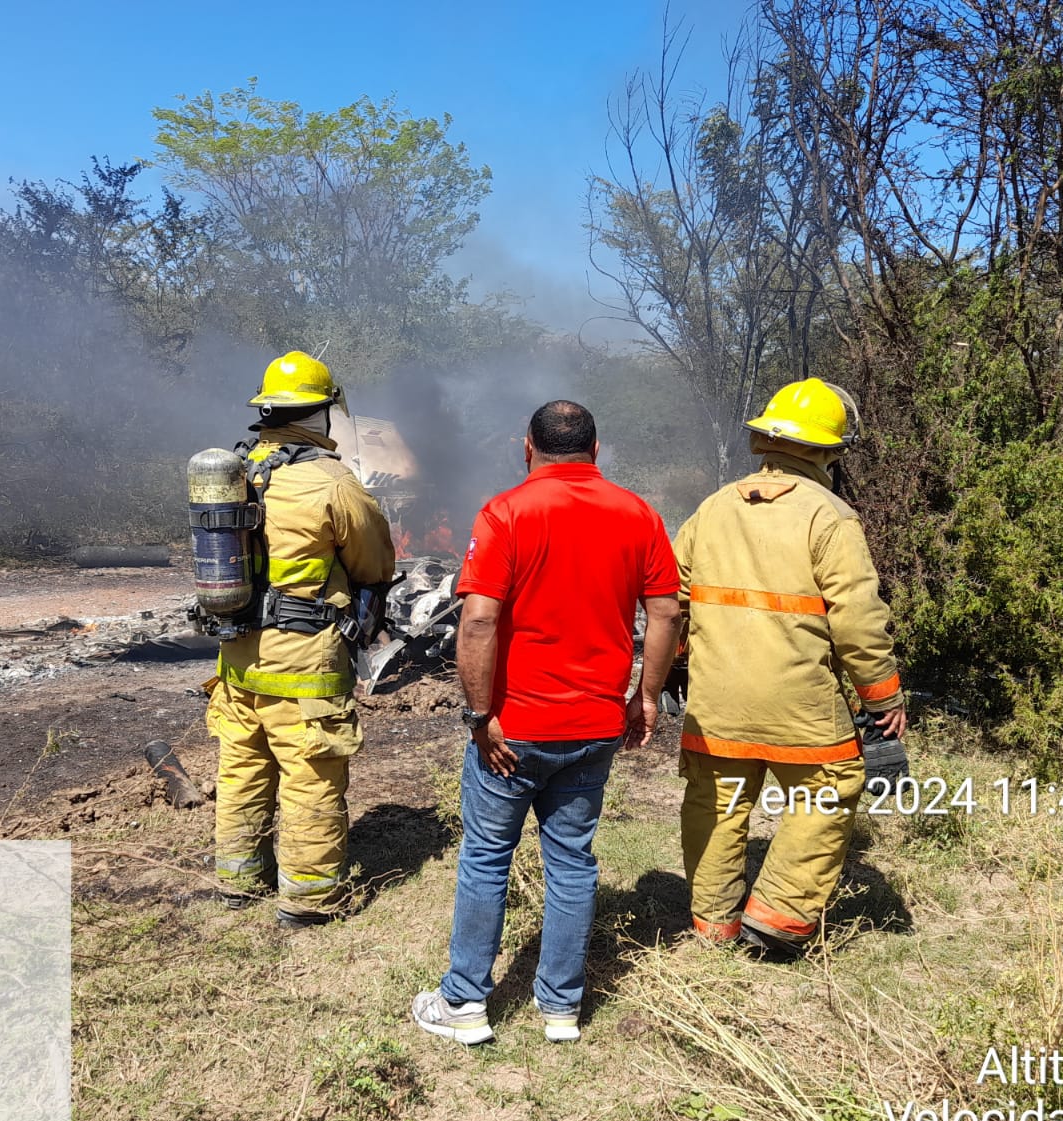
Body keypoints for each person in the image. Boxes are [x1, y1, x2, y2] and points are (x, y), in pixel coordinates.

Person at [411, 401, 680, 1044]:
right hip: (593, 726)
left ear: (526, 448)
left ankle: (466, 1005)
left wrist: (480, 716)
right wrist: (645, 698)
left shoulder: (505, 512)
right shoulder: (638, 514)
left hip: (514, 730)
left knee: (484, 859)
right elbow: (667, 616)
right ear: (596, 448)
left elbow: (477, 621)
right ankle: (561, 1007)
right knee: (572, 862)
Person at [674, 378, 907, 954]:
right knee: (829, 790)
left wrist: (680, 666)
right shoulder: (830, 517)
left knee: (719, 802)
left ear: (765, 442)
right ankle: (776, 921)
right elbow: (858, 619)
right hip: (798, 703)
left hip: (716, 703)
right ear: (828, 450)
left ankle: (714, 927)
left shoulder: (712, 508)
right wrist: (883, 697)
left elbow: (672, 599)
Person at [207, 350, 395, 928]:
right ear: (325, 412)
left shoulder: (232, 472)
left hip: (237, 656)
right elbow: (374, 563)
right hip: (304, 664)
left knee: (242, 770)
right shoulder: (332, 482)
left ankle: (238, 881)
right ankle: (309, 900)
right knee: (310, 777)